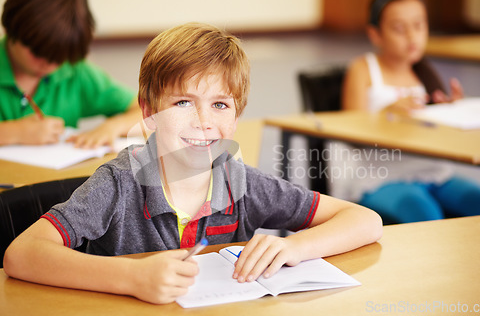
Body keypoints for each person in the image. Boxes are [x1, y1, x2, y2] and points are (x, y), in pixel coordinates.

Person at [3, 23, 383, 305]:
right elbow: (22, 254)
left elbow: (366, 220)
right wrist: (132, 277)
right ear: (149, 110)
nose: (203, 121)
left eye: (220, 104)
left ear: (237, 116)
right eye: (182, 102)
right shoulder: (119, 184)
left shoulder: (241, 183)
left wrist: (297, 248)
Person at [340, 0, 480, 223]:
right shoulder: (363, 69)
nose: (412, 36)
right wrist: (386, 113)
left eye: (419, 25)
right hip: (381, 178)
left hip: (435, 174)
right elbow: (348, 130)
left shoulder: (425, 73)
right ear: (376, 34)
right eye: (400, 28)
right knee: (424, 213)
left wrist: (452, 112)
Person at [0, 0, 141, 148]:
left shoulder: (75, 71)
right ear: (10, 29)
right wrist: (13, 132)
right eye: (37, 53)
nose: (49, 66)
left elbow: (148, 111)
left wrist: (114, 126)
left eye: (59, 58)